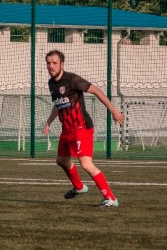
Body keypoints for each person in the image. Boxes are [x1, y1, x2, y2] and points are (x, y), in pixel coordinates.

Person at [42, 50, 123, 207]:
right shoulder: (51, 83)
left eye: (54, 63)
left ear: (62, 64)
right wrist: (48, 122)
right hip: (67, 129)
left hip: (81, 127)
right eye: (48, 63)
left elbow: (96, 91)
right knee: (61, 160)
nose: (51, 66)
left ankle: (111, 198)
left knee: (86, 164)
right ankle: (79, 187)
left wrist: (113, 111)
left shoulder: (72, 80)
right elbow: (58, 104)